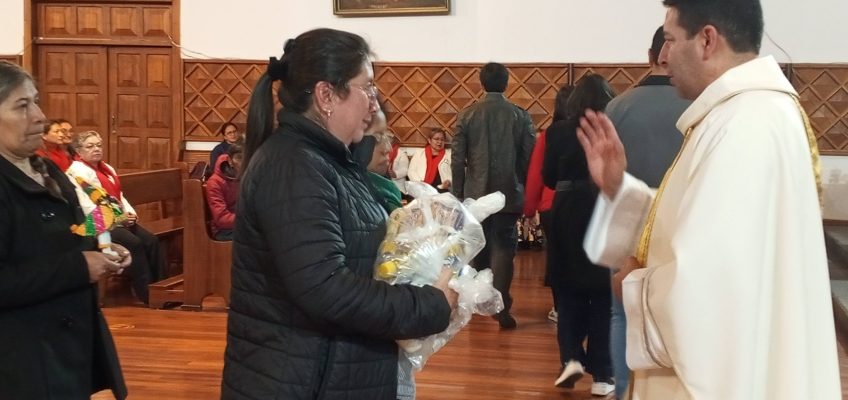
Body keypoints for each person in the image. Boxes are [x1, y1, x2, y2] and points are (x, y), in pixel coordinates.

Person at [577, 1, 841, 398]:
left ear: (706, 40)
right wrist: (619, 187)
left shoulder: (744, 125)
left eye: (670, 40)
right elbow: (694, 225)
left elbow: (709, 290)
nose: (663, 57)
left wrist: (633, 285)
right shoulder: (748, 113)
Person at [221, 28, 457, 400]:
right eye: (368, 88)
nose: (375, 104)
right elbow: (325, 287)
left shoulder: (325, 160)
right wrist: (427, 305)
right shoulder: (294, 167)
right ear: (326, 95)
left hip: (325, 374)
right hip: (299, 381)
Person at [0, 60, 129, 399]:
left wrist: (101, 248)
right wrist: (79, 267)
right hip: (22, 359)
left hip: (66, 347)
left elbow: (67, 233)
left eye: (36, 101)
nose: (39, 116)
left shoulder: (46, 170)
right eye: (22, 106)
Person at [602, 25, 691, 400]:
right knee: (677, 312)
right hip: (679, 222)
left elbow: (606, 175)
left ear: (650, 56)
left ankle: (624, 389)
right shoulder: (696, 106)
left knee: (622, 313)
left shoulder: (618, 107)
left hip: (628, 219)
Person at [542, 74, 616, 397]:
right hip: (602, 205)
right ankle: (603, 375)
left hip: (566, 209)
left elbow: (548, 177)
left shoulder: (557, 131)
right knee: (602, 292)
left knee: (568, 287)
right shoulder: (611, 126)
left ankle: (570, 358)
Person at [451, 62, 535, 329]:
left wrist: (457, 193)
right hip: (508, 193)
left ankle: (477, 303)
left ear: (482, 83)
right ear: (507, 83)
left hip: (475, 195)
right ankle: (501, 306)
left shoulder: (467, 115)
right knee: (504, 250)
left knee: (478, 247)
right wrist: (522, 185)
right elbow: (528, 156)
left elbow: (457, 159)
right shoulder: (520, 116)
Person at [66, 130, 166, 305]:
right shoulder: (76, 172)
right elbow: (86, 206)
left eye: (98, 145)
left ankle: (162, 289)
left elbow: (119, 196)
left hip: (118, 219)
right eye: (90, 146)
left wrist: (130, 214)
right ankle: (146, 294)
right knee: (134, 243)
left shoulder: (107, 168)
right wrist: (119, 218)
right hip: (97, 224)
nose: (96, 149)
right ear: (79, 151)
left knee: (151, 240)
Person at [524, 84, 573, 324]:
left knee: (556, 257)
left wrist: (529, 209)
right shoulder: (589, 132)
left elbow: (536, 174)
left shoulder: (548, 135)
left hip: (551, 204)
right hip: (583, 203)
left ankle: (560, 307)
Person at [205, 138, 243, 241]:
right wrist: (248, 220)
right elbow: (221, 219)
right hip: (223, 230)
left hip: (240, 224)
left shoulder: (244, 175)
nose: (243, 163)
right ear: (230, 161)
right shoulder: (214, 182)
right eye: (240, 158)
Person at [407, 127, 451, 192]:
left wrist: (449, 181)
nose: (439, 142)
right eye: (436, 139)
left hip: (442, 188)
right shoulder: (419, 153)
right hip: (421, 188)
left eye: (442, 139)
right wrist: (420, 183)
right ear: (429, 140)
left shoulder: (449, 155)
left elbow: (455, 172)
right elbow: (411, 171)